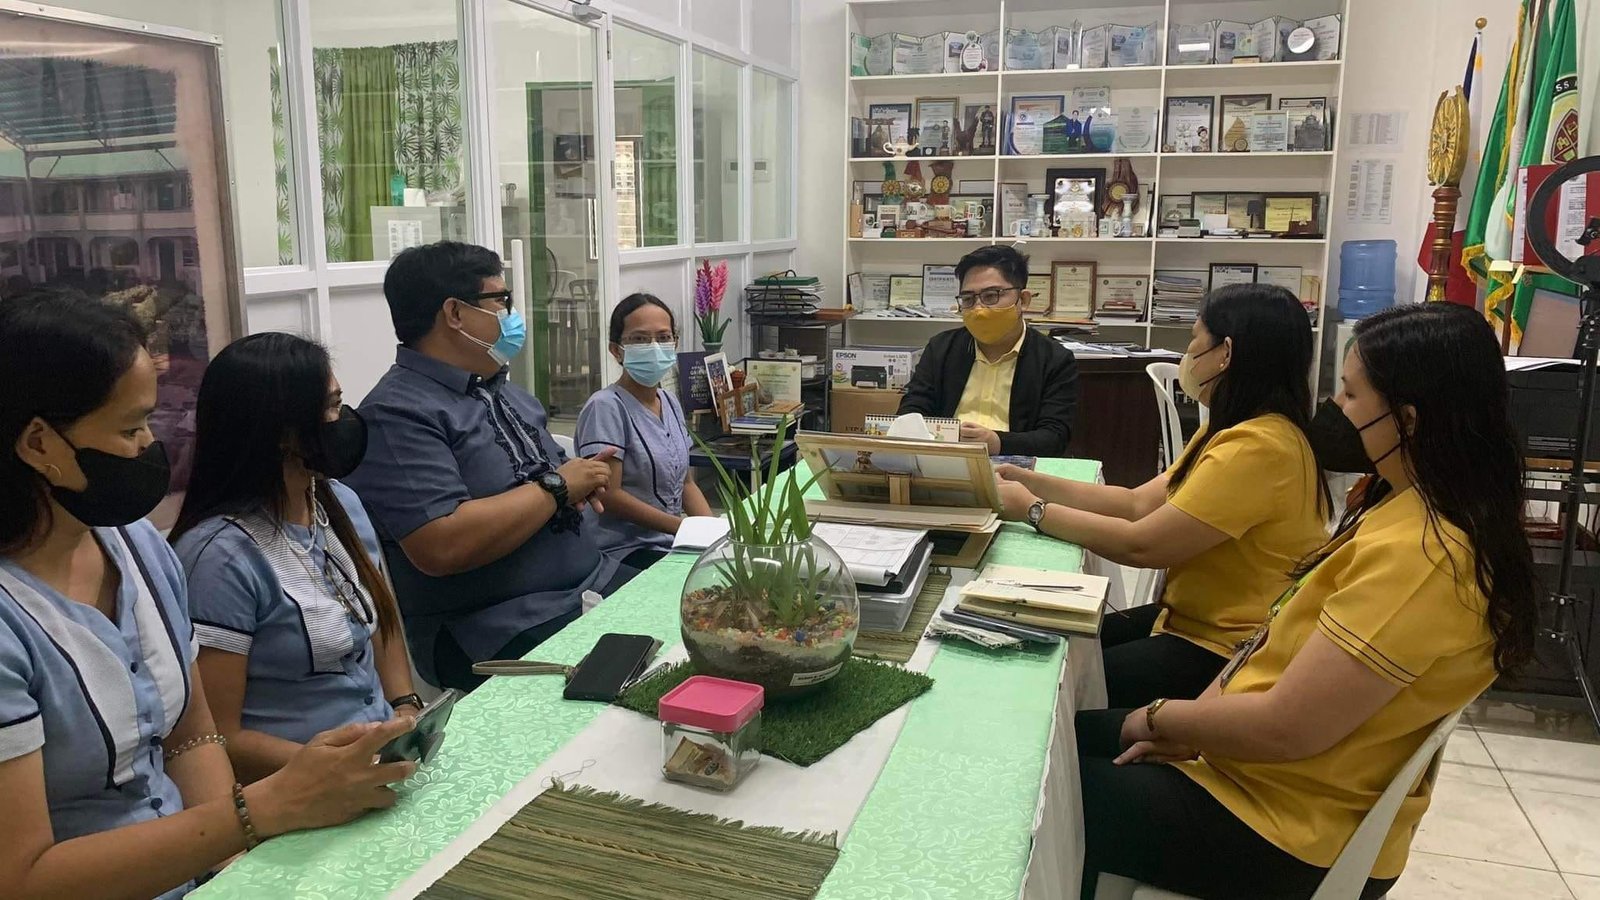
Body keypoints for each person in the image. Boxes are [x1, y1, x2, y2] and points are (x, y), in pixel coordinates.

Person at [1074, 302, 1539, 899]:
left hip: (1284, 827)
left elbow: (1285, 728)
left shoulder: (1426, 556)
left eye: (1351, 393)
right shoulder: (1402, 505)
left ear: (1408, 420)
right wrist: (1195, 727)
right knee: (1062, 740)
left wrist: (1159, 717)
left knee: (1040, 779)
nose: (1335, 407)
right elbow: (1270, 650)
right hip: (1257, 776)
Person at [0, 290, 415, 899]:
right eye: (130, 428)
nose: (150, 446)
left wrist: (235, 869)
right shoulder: (15, 619)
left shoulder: (139, 547)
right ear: (38, 443)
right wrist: (258, 812)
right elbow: (22, 878)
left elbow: (191, 735)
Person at [996, 284, 1329, 708]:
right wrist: (1030, 480)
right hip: (1189, 619)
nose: (1187, 355)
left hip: (1224, 647)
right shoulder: (1231, 428)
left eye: (1194, 340)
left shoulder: (1258, 447)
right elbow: (1135, 503)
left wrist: (1033, 510)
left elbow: (1142, 544)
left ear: (1225, 353)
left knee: (1054, 687)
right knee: (1056, 642)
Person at [343, 241, 625, 692]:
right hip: (495, 626)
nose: (511, 316)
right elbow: (442, 543)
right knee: (640, 686)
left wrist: (578, 480)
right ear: (455, 313)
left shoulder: (503, 390)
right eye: (500, 301)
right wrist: (556, 488)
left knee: (700, 619)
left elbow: (552, 477)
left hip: (591, 581)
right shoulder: (397, 415)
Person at [170, 333, 422, 783]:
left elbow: (380, 625)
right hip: (299, 784)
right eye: (331, 407)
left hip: (376, 761)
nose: (343, 420)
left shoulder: (339, 503)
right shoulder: (219, 558)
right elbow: (216, 736)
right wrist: (336, 764)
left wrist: (405, 707)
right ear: (281, 432)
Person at [574, 293, 712, 571]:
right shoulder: (605, 407)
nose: (654, 347)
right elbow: (609, 495)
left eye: (663, 337)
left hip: (668, 542)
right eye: (639, 339)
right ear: (616, 350)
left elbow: (686, 484)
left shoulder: (669, 401)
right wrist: (683, 528)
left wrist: (713, 533)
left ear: (675, 343)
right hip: (623, 550)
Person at [897, 245, 1078, 456]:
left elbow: (1054, 437)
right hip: (946, 460)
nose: (978, 309)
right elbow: (911, 412)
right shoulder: (941, 348)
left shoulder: (1055, 359)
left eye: (991, 296)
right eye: (968, 299)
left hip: (1015, 466)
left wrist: (998, 443)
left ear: (1023, 300)